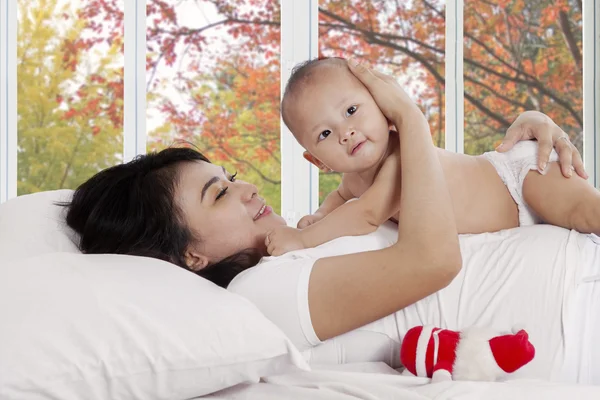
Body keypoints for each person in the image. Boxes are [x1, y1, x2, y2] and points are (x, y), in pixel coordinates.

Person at [63, 62, 596, 383]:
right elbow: (433, 258)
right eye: (220, 192)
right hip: (575, 308)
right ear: (189, 255)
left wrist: (532, 131)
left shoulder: (296, 242)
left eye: (229, 175)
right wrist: (410, 118)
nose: (247, 186)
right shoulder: (259, 291)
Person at [267, 57, 597, 256]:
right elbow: (341, 197)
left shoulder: (402, 154)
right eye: (325, 134)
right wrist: (322, 214)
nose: (345, 132)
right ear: (317, 161)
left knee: (585, 214)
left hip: (518, 178)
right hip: (511, 212)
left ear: (384, 105)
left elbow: (366, 213)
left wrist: (303, 238)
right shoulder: (353, 179)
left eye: (351, 110)